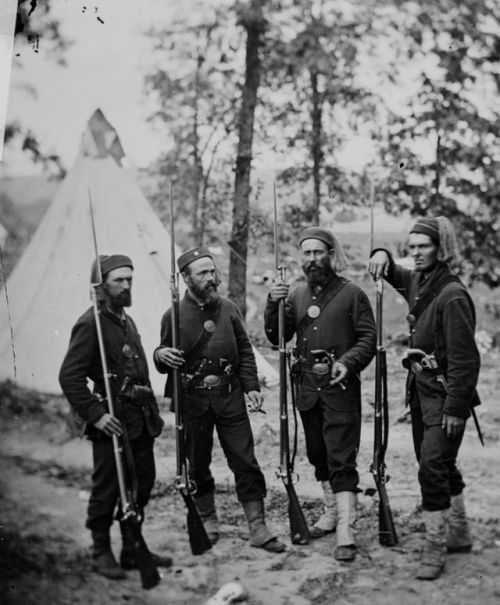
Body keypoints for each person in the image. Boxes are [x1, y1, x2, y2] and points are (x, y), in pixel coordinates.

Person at [367, 216, 481, 580]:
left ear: (440, 248)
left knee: (431, 467)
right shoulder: (420, 279)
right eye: (410, 246)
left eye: (423, 246)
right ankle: (459, 533)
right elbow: (393, 272)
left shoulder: (452, 294)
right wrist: (382, 252)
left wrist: (456, 409)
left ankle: (435, 546)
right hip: (421, 394)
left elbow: (466, 360)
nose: (414, 253)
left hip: (446, 397)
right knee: (439, 463)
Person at [153, 246, 286, 553]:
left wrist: (251, 386)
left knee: (245, 461)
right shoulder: (172, 315)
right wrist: (160, 354)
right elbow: (162, 357)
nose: (211, 278)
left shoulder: (228, 308)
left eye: (213, 271)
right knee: (197, 464)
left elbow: (245, 350)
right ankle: (208, 520)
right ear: (186, 278)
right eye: (203, 273)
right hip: (193, 402)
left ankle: (257, 527)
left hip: (230, 399)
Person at [264, 227, 376, 561]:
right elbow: (276, 337)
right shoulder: (295, 294)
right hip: (307, 390)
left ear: (331, 255)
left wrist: (348, 362)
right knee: (318, 454)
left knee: (341, 457)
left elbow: (368, 338)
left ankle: (346, 529)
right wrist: (273, 303)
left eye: (318, 252)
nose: (312, 259)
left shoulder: (352, 293)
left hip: (340, 389)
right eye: (307, 253)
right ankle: (330, 513)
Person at [59, 254, 172, 580]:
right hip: (112, 423)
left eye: (129, 279)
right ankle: (100, 550)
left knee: (141, 486)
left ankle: (132, 549)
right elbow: (70, 376)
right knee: (108, 489)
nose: (126, 285)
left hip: (138, 421)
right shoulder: (90, 323)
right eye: (118, 280)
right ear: (100, 285)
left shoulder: (126, 319)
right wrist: (96, 415)